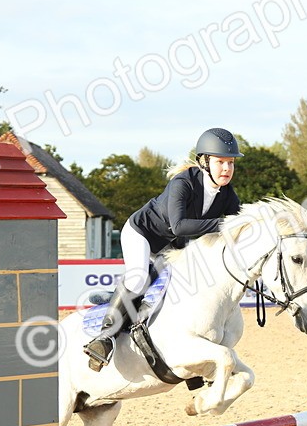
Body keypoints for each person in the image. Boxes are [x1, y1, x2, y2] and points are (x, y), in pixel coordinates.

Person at [84, 127, 244, 369]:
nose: (226, 169)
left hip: (171, 247)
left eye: (231, 163)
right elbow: (179, 226)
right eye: (220, 162)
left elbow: (237, 231)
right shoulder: (183, 183)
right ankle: (104, 339)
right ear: (204, 162)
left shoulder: (227, 194)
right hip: (143, 234)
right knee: (139, 280)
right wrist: (225, 223)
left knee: (187, 290)